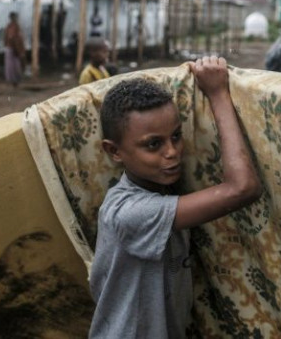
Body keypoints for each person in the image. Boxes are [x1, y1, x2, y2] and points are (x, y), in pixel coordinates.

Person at [89, 56, 262, 338]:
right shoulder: (129, 213)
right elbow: (242, 188)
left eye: (177, 136)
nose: (172, 152)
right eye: (153, 144)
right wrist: (217, 94)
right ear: (114, 151)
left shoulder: (162, 187)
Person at [4, 11, 26, 87]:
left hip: (11, 48)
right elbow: (12, 38)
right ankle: (14, 80)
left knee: (13, 65)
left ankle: (14, 80)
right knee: (14, 65)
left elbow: (10, 38)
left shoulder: (11, 26)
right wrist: (18, 49)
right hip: (13, 48)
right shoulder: (13, 26)